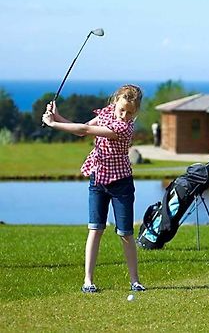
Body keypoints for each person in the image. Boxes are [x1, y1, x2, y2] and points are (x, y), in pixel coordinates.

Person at [42, 84, 146, 293]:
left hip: (121, 183)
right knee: (95, 229)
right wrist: (58, 117)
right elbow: (82, 128)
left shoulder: (123, 128)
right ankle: (88, 281)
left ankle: (135, 281)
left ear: (135, 113)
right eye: (122, 110)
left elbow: (85, 130)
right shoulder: (107, 114)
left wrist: (53, 125)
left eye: (130, 113)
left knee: (125, 233)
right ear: (114, 103)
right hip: (98, 179)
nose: (125, 115)